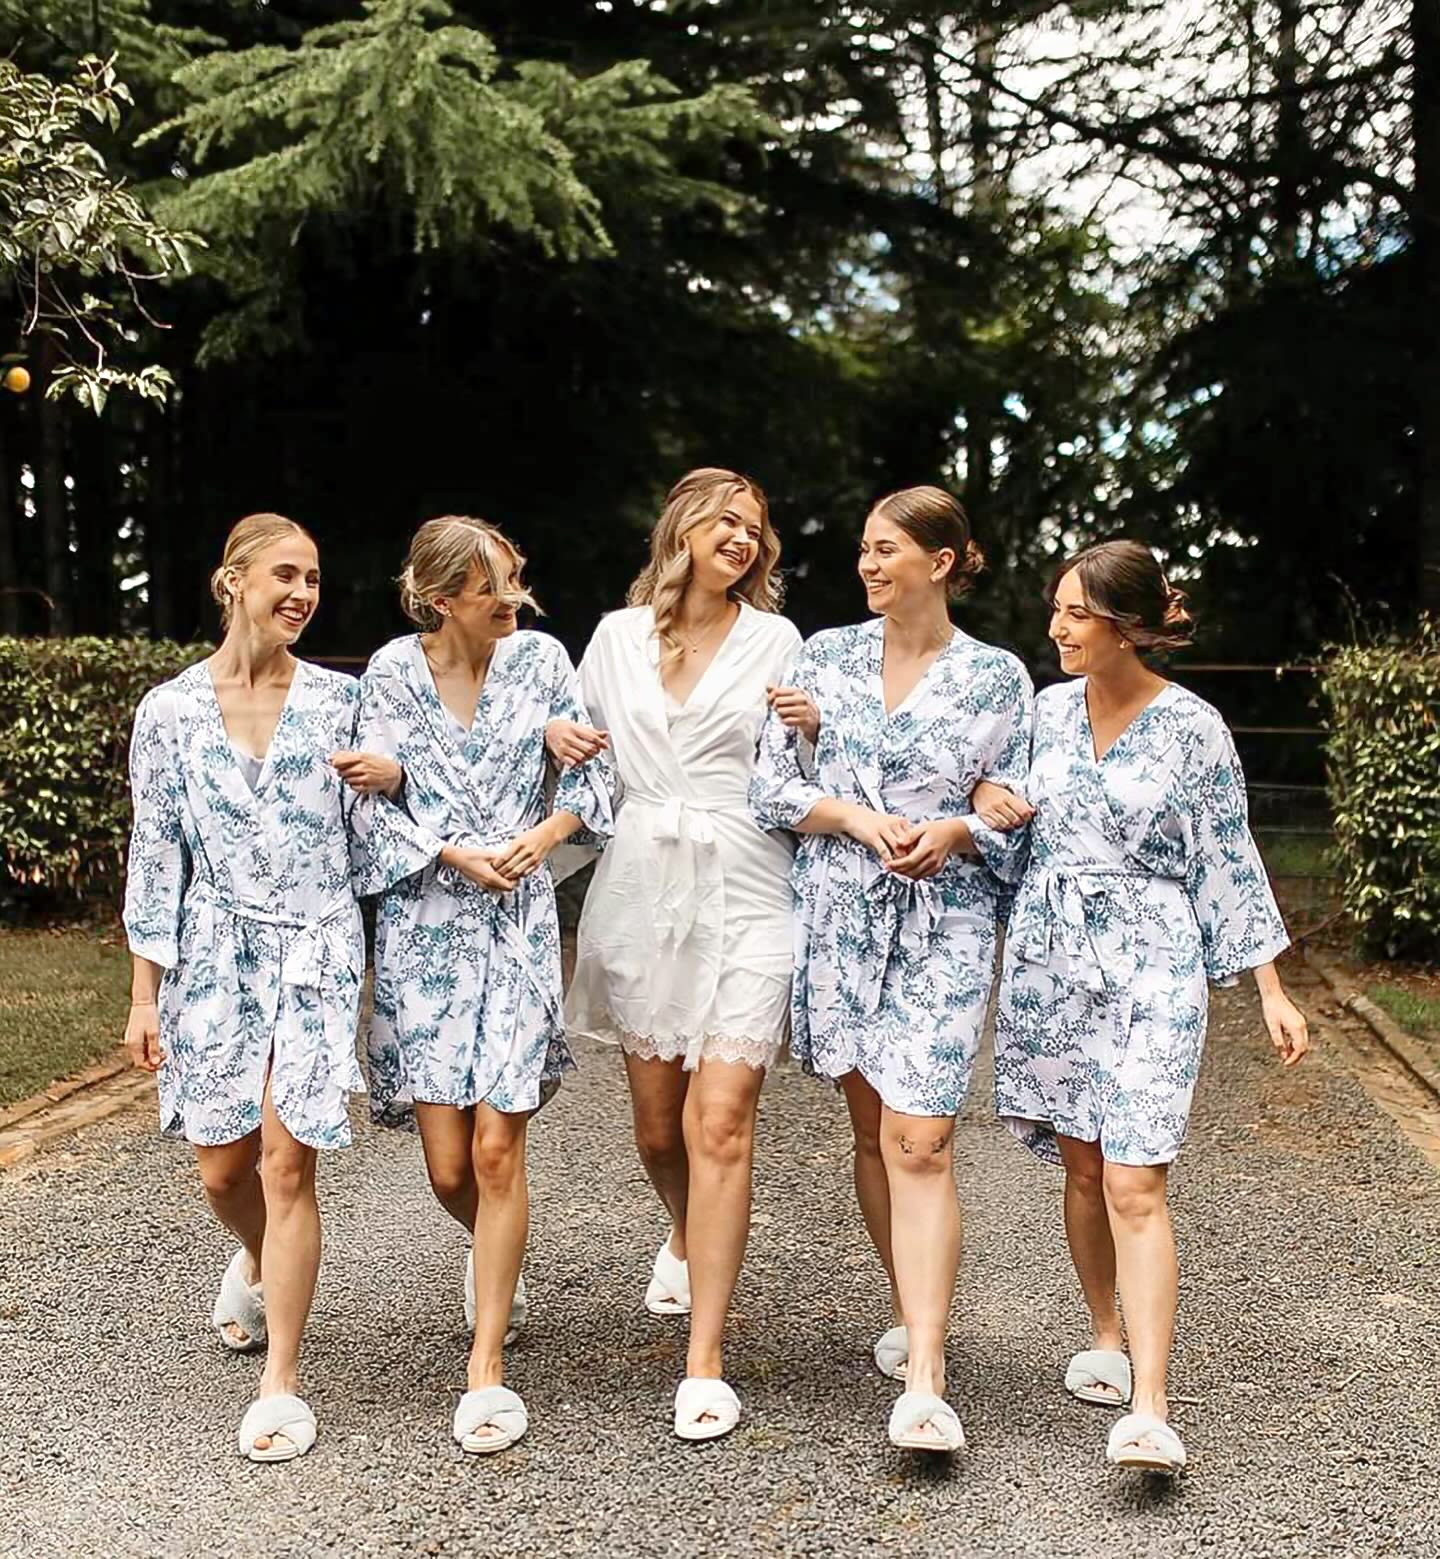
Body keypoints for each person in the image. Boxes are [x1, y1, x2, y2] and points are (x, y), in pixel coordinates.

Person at [986, 539, 1310, 1475]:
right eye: (1056, 610)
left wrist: (1271, 986)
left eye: (1075, 614)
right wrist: (993, 804)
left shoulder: (1195, 727)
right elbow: (1001, 818)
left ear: (1127, 627)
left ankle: (1152, 1406)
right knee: (1084, 1169)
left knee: (1136, 1177)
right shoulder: (1044, 714)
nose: (1056, 629)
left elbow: (1227, 855)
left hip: (1153, 963)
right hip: (1051, 961)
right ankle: (1104, 1334)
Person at [122, 512, 437, 1463]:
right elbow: (155, 855)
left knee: (286, 1161)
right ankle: (256, 1254)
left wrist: (398, 776)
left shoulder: (342, 705)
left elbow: (388, 825)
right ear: (234, 581)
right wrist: (145, 992)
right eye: (286, 575)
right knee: (223, 1164)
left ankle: (283, 1381)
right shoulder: (168, 711)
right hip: (213, 951)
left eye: (313, 578)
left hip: (316, 942)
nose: (302, 593)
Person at [749, 484, 1034, 1455]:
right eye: (864, 551)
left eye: (886, 550)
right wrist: (858, 817)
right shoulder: (821, 657)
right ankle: (914, 1309)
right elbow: (771, 784)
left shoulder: (997, 678)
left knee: (922, 1141)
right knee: (874, 1135)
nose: (868, 565)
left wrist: (956, 827)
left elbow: (1018, 800)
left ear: (942, 560)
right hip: (839, 915)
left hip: (944, 921)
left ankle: (926, 1374)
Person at [346, 516, 611, 1456]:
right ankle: (491, 1248)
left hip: (516, 927)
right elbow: (362, 812)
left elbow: (596, 782)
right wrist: (447, 847)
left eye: (516, 579)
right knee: (449, 1166)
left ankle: (487, 1364)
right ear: (440, 595)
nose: (514, 597)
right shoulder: (386, 673)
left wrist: (542, 840)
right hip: (424, 928)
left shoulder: (542, 661)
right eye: (494, 584)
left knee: (499, 1152)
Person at [560, 467, 799, 1441]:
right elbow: (577, 759)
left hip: (748, 883)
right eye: (726, 522)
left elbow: (801, 771)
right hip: (644, 884)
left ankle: (705, 1357)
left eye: (756, 527)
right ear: (683, 531)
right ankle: (683, 1225)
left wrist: (819, 735)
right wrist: (551, 735)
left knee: (722, 1120)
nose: (743, 537)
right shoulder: (615, 640)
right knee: (659, 1131)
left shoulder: (778, 640)